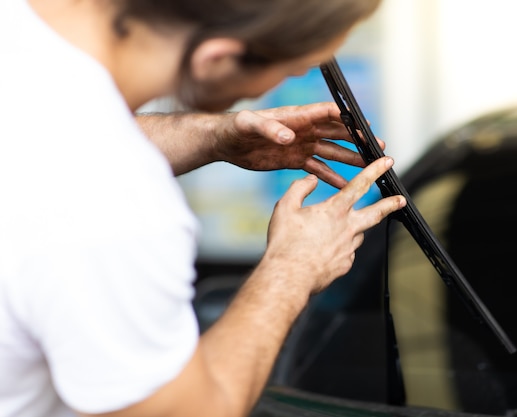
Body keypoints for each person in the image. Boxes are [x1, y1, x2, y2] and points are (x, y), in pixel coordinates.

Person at [0, 1, 406, 417]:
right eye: (293, 67)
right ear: (218, 58)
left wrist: (214, 136)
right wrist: (292, 270)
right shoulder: (119, 204)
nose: (298, 76)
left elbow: (50, 142)